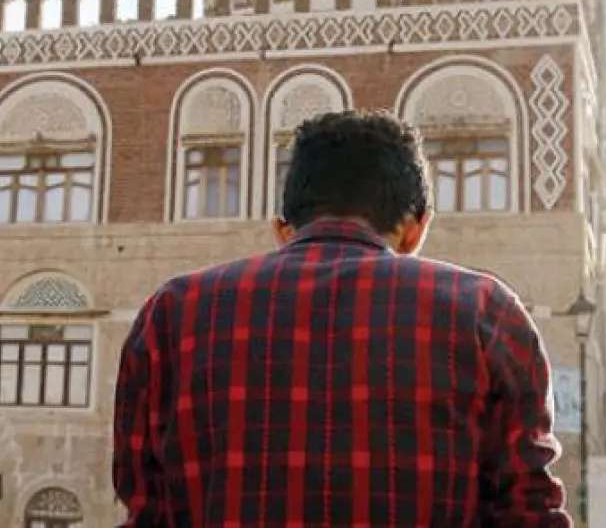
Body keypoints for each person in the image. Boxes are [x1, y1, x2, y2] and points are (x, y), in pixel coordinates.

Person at [113, 109, 571, 526]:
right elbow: (529, 511)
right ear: (417, 229)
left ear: (282, 230)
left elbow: (147, 507)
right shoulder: (484, 312)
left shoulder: (173, 313)